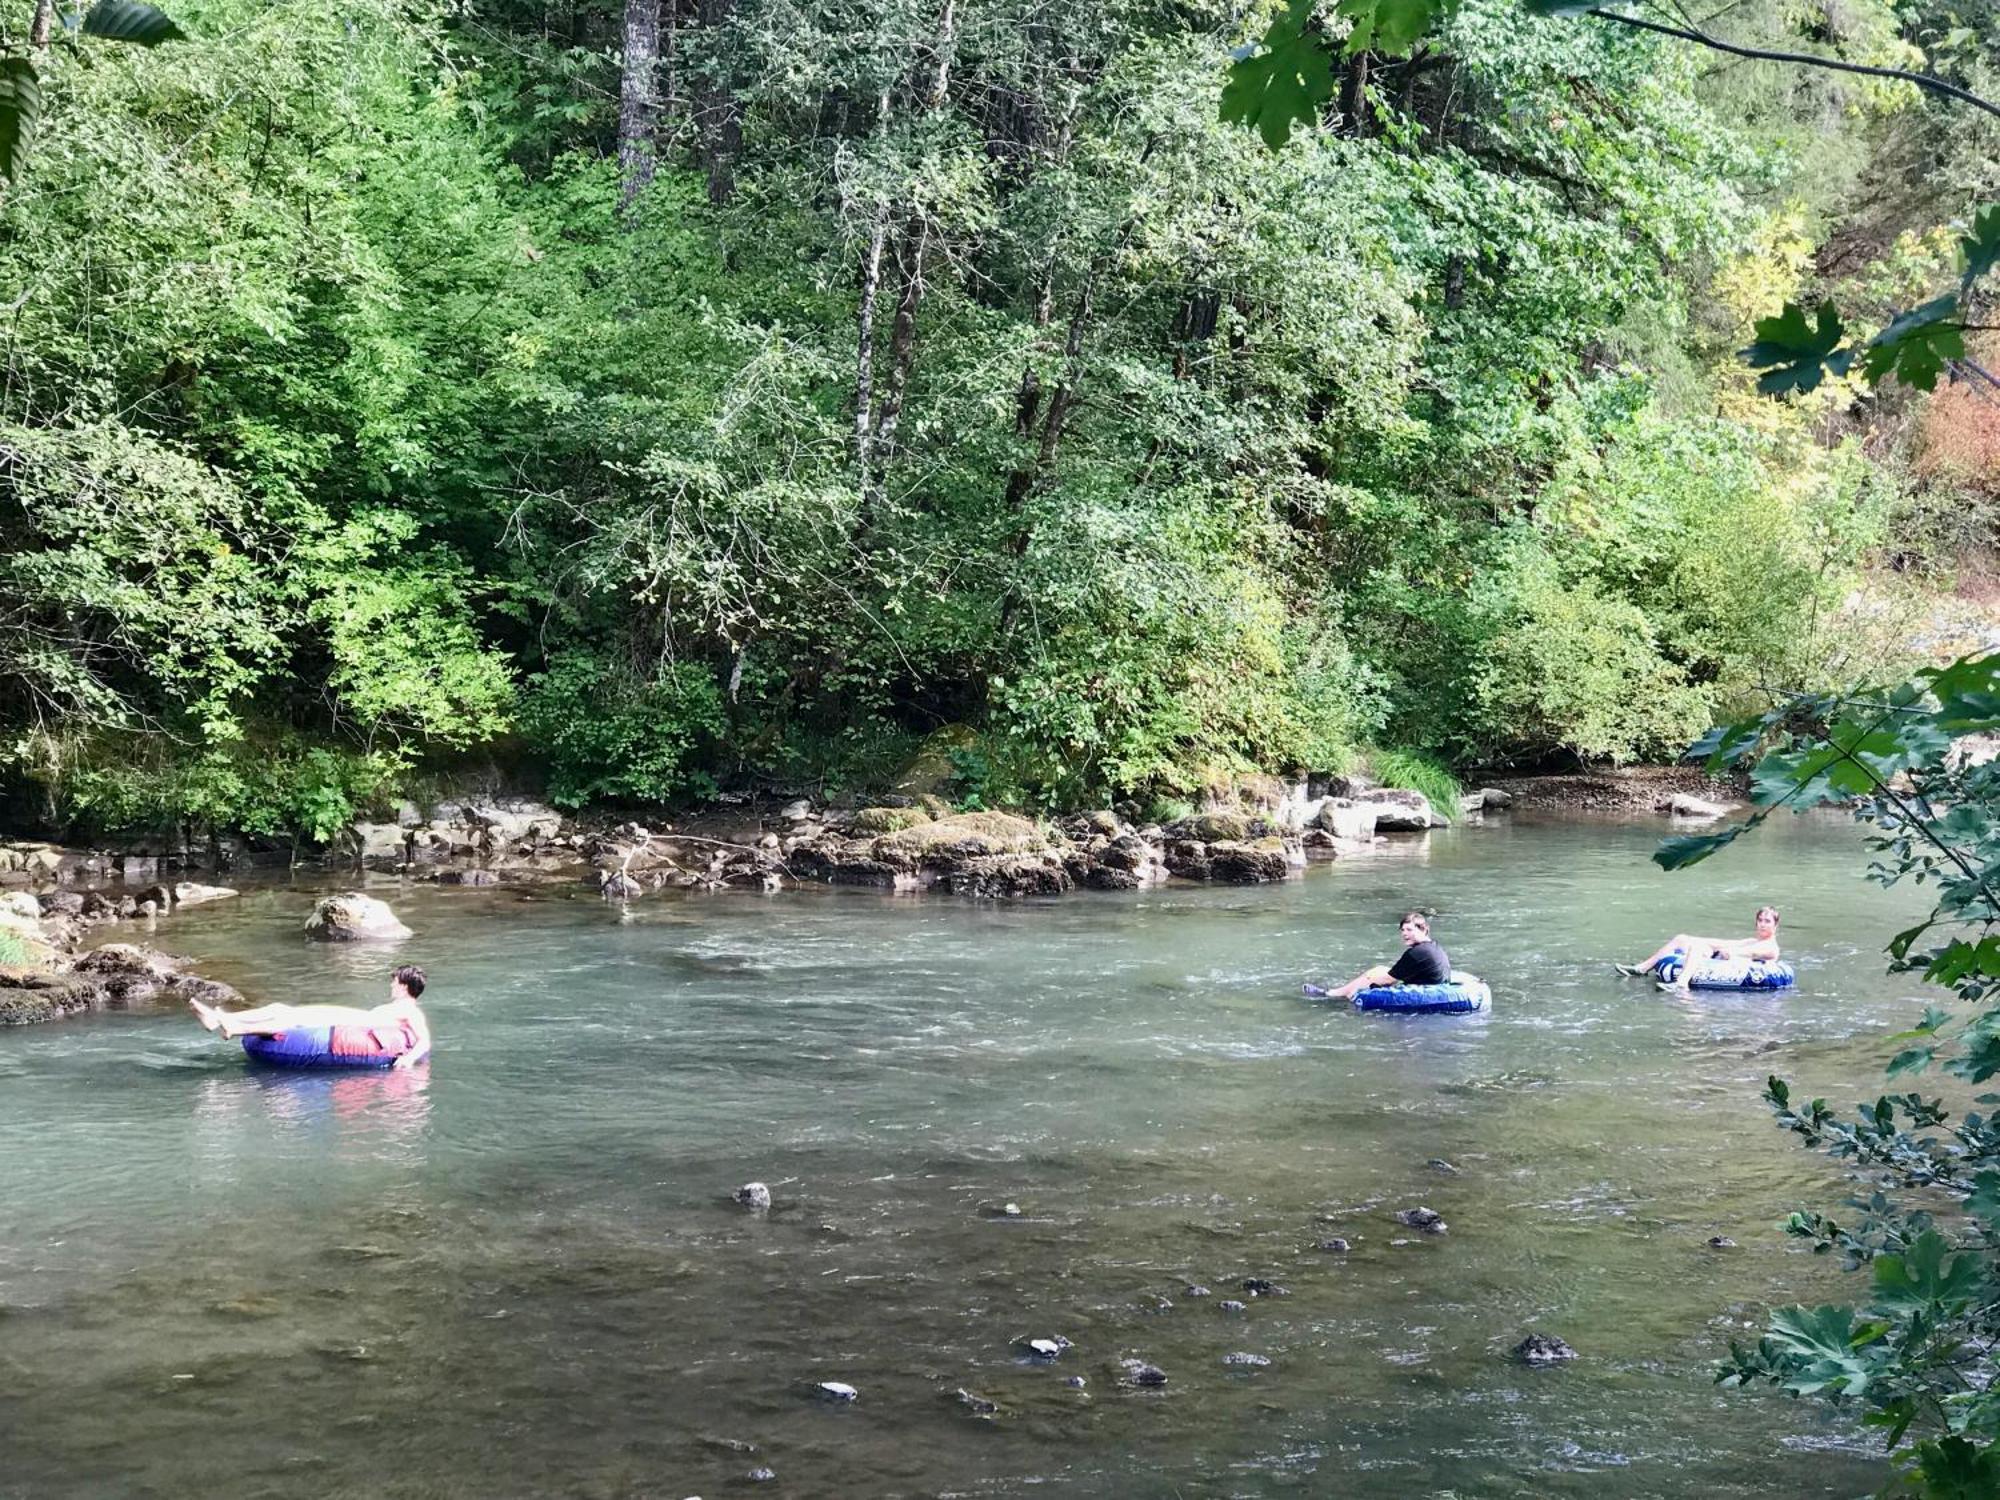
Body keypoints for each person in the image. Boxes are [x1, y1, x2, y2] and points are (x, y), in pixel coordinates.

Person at [190, 964, 432, 1069]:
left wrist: (408, 1059)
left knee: (289, 1020)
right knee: (278, 1008)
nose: (390, 985)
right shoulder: (396, 1006)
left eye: (394, 981)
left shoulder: (411, 1010)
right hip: (348, 1018)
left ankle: (233, 1027)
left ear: (403, 986)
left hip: (346, 1024)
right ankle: (222, 1019)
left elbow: (425, 1041)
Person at [1617, 907, 1780, 988]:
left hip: (1737, 968)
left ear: (1775, 925)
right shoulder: (1751, 940)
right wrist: (1697, 940)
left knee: (1696, 947)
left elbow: (1742, 952)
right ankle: (1642, 968)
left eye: (1767, 921)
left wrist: (1728, 952)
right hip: (1724, 958)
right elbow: (1725, 943)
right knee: (1682, 939)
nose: (1762, 924)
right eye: (1760, 920)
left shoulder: (1770, 947)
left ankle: (1681, 984)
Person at [1325, 910, 1452, 999]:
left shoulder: (1417, 953)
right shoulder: (1433, 946)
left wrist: (1362, 987)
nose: (1404, 934)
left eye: (1409, 930)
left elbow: (1389, 979)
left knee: (1372, 976)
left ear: (1423, 930)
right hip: (1435, 984)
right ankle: (1341, 991)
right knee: (1379, 969)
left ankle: (1335, 994)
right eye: (1402, 930)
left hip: (1425, 991)